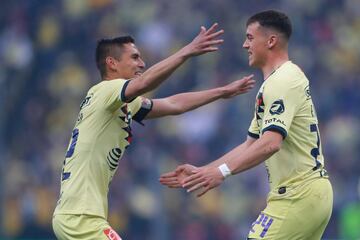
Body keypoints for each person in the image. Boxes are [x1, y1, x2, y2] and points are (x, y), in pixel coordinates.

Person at [52, 23, 255, 240]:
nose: (142, 63)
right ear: (112, 63)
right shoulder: (105, 90)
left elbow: (173, 104)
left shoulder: (119, 103)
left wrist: (222, 92)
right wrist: (187, 51)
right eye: (134, 57)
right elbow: (144, 82)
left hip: (77, 216)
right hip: (81, 218)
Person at [160, 10, 333, 240]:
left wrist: (222, 172)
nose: (244, 44)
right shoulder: (277, 82)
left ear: (271, 41)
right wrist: (205, 171)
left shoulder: (282, 81)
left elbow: (271, 144)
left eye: (250, 37)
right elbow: (251, 144)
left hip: (297, 194)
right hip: (309, 192)